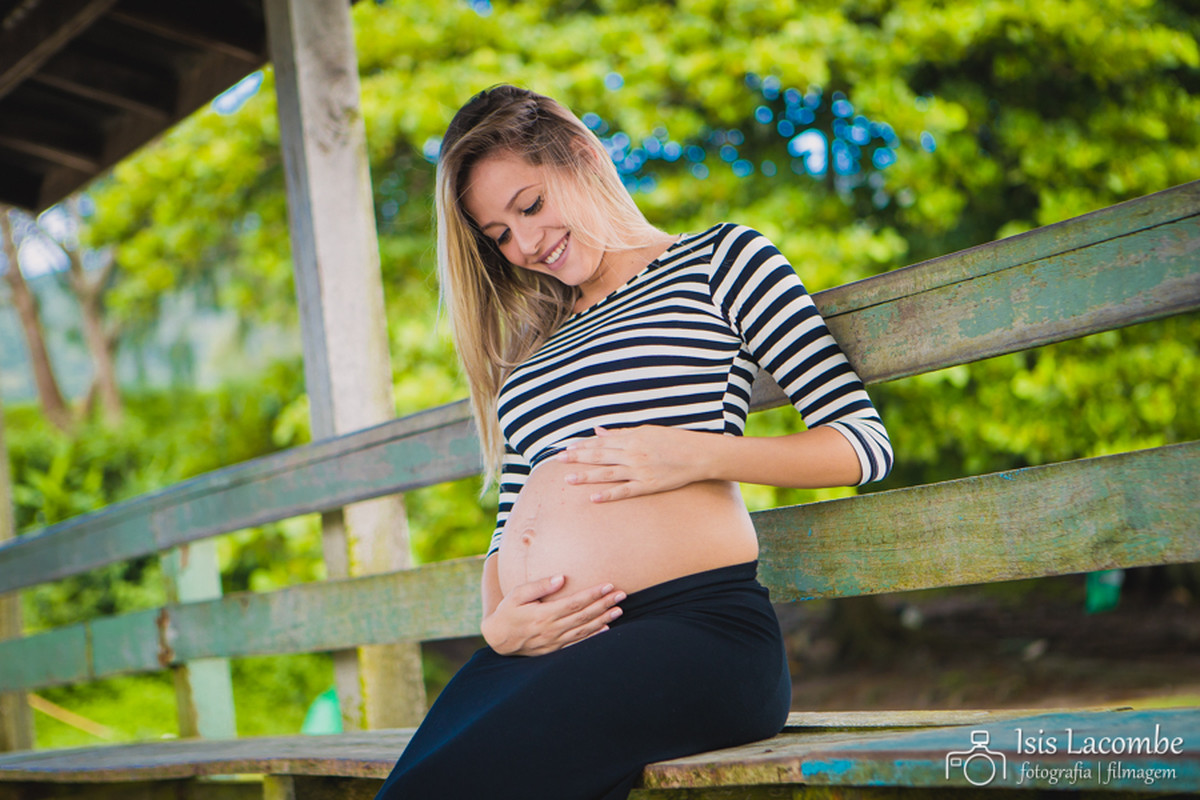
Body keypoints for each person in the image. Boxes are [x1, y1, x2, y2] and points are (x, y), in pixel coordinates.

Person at [374, 84, 893, 800]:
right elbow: (515, 516)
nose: (524, 244)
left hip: (694, 634)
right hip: (538, 649)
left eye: (530, 206)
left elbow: (863, 443)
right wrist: (497, 624)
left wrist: (699, 454)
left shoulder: (721, 261)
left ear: (582, 156)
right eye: (498, 234)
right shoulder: (534, 347)